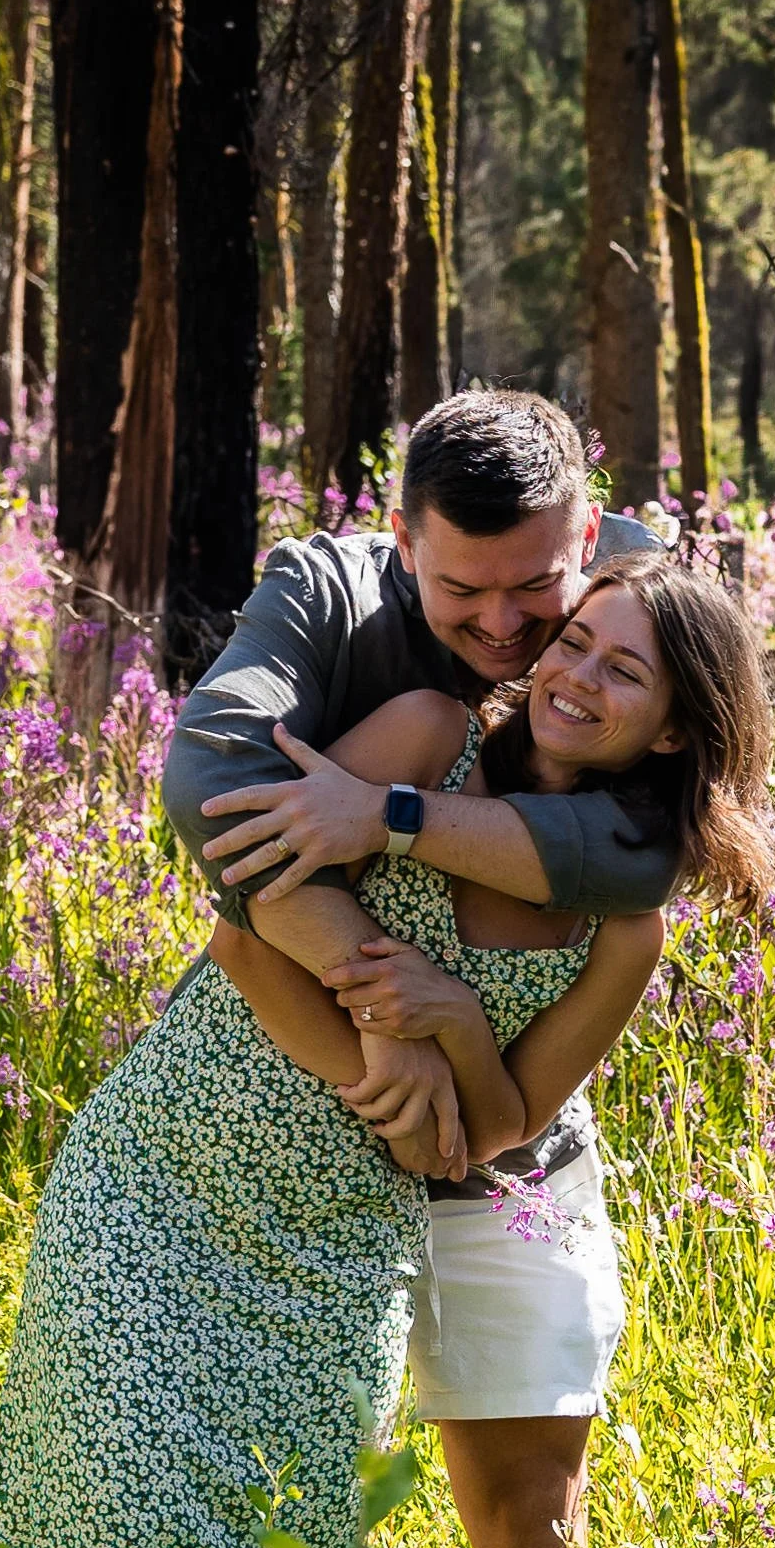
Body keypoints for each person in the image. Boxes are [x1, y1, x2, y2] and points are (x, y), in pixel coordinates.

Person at [0, 552, 775, 1548]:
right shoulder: (426, 731)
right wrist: (381, 1062)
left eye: (623, 669)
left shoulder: (624, 928)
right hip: (174, 1172)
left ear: (673, 731)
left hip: (345, 1235)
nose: (573, 674)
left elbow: (498, 1127)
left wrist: (448, 1017)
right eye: (573, 641)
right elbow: (245, 938)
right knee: (109, 1505)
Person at [160, 388, 675, 1190]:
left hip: (506, 1143)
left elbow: (651, 853)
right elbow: (211, 785)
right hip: (282, 1088)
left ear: (584, 537)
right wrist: (383, 1023)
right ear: (402, 541)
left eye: (534, 587)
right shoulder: (325, 592)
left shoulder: (633, 603)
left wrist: (386, 818)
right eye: (462, 591)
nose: (502, 625)